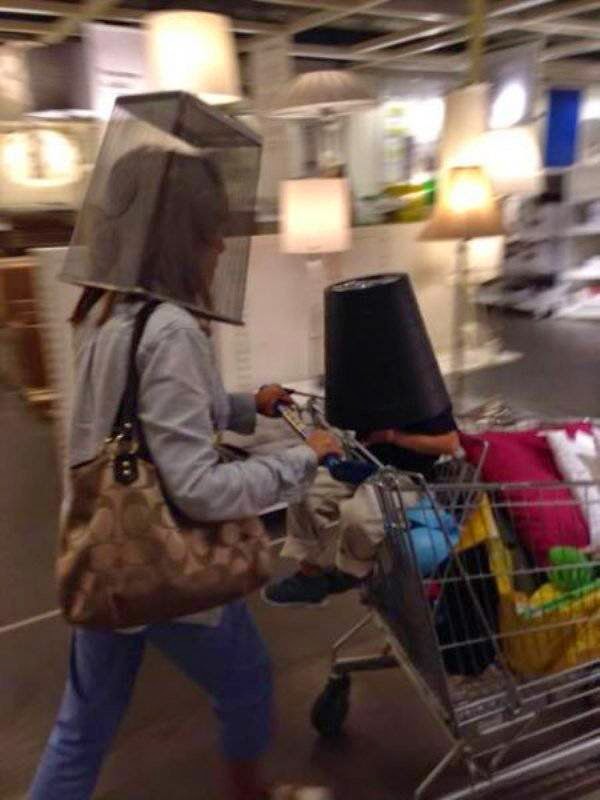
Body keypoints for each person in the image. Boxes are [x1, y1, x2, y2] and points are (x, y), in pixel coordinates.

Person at [29, 128, 341, 798]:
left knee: (81, 730)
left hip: (107, 549)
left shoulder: (109, 312)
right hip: (166, 559)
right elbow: (199, 489)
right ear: (180, 236)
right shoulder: (170, 329)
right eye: (211, 230)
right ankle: (249, 793)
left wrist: (245, 404)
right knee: (248, 680)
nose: (221, 246)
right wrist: (301, 459)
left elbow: (142, 421)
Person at [263, 407, 460, 607]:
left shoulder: (423, 396)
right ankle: (309, 577)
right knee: (304, 489)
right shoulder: (366, 394)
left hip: (406, 480)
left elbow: (450, 443)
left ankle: (349, 575)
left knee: (357, 515)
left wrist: (393, 437)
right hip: (361, 467)